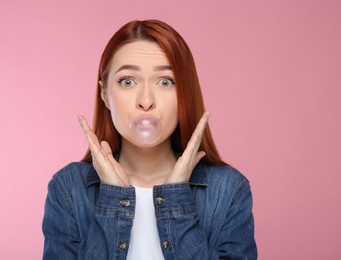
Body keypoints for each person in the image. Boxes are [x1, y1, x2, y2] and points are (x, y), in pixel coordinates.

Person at [42, 19, 257, 259]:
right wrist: (113, 196)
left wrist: (176, 199)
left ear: (185, 92)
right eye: (127, 81)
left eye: (165, 82)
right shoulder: (68, 188)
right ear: (104, 93)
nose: (146, 100)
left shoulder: (228, 190)